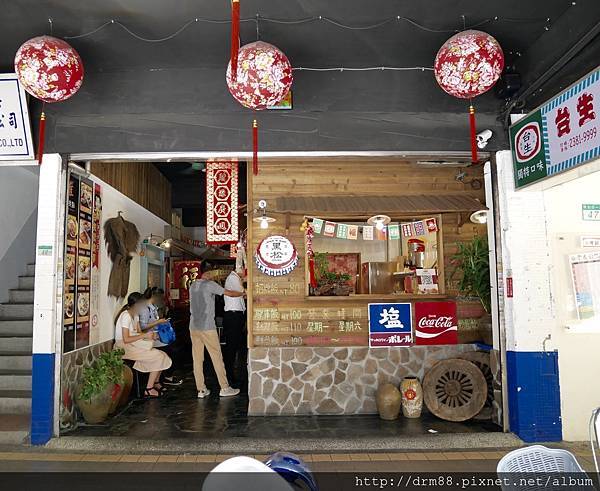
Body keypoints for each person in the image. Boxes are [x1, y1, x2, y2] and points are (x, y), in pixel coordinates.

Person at [189, 261, 244, 399]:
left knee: (197, 359)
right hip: (207, 327)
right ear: (210, 272)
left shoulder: (193, 285)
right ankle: (225, 388)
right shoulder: (210, 285)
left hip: (193, 326)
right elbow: (229, 294)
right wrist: (244, 293)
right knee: (217, 357)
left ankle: (201, 390)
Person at [114, 292, 172, 398]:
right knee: (158, 356)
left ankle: (155, 383)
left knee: (163, 355)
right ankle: (149, 389)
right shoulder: (125, 316)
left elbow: (139, 333)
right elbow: (126, 339)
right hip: (123, 348)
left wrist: (150, 336)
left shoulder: (135, 315)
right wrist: (143, 336)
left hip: (133, 345)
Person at [140, 287, 183, 386]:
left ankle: (162, 378)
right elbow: (142, 328)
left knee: (175, 347)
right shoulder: (144, 309)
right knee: (170, 351)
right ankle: (165, 377)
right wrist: (158, 322)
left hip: (157, 336)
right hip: (150, 338)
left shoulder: (153, 307)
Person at [222, 268, 247, 388]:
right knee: (231, 348)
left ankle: (232, 375)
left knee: (234, 346)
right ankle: (229, 377)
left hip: (235, 316)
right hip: (233, 316)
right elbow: (243, 292)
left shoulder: (236, 278)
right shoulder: (233, 278)